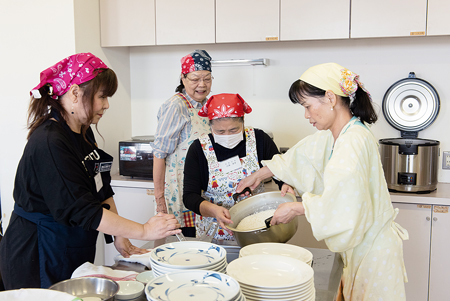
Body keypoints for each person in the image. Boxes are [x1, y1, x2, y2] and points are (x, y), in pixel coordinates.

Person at [0, 53, 181, 289]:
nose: (106, 105)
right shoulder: (50, 142)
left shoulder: (83, 132)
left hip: (69, 243)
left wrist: (119, 234)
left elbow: (100, 188)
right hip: (39, 249)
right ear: (75, 93)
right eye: (102, 96)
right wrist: (144, 230)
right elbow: (83, 210)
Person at [236, 63, 408, 300]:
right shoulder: (342, 133)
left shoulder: (352, 142)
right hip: (361, 249)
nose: (306, 115)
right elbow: (304, 156)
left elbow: (344, 201)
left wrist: (296, 207)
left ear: (330, 97)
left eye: (307, 106)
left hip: (372, 254)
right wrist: (260, 175)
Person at [183, 93, 294, 240]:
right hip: (215, 231)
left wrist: (285, 183)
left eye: (234, 130)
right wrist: (214, 210)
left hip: (258, 227)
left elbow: (279, 168)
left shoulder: (259, 140)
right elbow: (189, 196)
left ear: (243, 121)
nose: (227, 135)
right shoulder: (198, 149)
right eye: (220, 131)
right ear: (210, 126)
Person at [152, 50, 212, 237]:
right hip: (179, 189)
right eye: (195, 79)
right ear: (183, 78)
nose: (202, 85)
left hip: (201, 189)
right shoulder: (176, 106)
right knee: (181, 247)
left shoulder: (207, 105)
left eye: (207, 79)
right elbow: (159, 154)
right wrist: (160, 198)